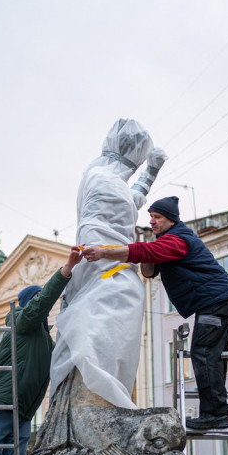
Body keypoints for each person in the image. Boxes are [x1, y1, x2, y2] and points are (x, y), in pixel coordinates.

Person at [83, 196, 228, 430]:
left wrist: (104, 252)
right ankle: (215, 412)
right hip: (214, 301)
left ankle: (215, 414)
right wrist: (144, 251)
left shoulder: (178, 240)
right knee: (209, 354)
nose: (152, 221)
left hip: (215, 301)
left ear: (171, 220)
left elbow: (145, 252)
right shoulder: (166, 240)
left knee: (204, 353)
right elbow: (148, 271)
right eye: (151, 217)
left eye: (157, 217)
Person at [50, 118, 167, 409]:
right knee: (100, 330)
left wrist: (151, 172)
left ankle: (103, 392)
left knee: (105, 330)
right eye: (138, 162)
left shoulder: (101, 177)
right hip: (106, 269)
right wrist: (104, 253)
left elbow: (131, 198)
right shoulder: (105, 181)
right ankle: (99, 394)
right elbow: (127, 202)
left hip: (107, 265)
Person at [0, 246, 83, 455]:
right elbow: (42, 302)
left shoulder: (43, 338)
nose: (42, 303)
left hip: (22, 415)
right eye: (36, 299)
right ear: (28, 303)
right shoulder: (21, 321)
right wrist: (66, 269)